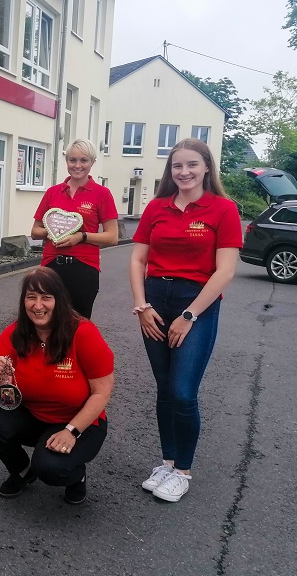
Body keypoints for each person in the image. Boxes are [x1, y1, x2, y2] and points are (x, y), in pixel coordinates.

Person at [130, 138, 242, 503]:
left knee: (182, 391)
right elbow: (137, 261)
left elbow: (225, 271)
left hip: (197, 304)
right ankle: (167, 462)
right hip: (155, 303)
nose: (184, 172)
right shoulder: (157, 208)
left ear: (207, 166)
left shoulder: (223, 210)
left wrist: (190, 314)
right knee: (164, 389)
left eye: (192, 164)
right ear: (170, 171)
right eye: (177, 166)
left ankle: (183, 471)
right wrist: (142, 306)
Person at [0, 267, 114, 504]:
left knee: (51, 468)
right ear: (23, 302)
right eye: (31, 297)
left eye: (46, 297)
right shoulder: (13, 334)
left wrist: (71, 432)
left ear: (58, 300)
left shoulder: (83, 333)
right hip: (33, 416)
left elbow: (101, 392)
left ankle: (76, 476)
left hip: (79, 421)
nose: (38, 305)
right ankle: (22, 471)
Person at [31, 138, 119, 318]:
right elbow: (35, 232)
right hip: (51, 266)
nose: (77, 165)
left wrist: (82, 237)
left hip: (84, 268)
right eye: (73, 160)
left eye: (83, 160)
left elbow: (112, 237)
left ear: (92, 162)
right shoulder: (53, 192)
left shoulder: (102, 194)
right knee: (45, 320)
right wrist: (55, 232)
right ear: (67, 161)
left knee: (78, 324)